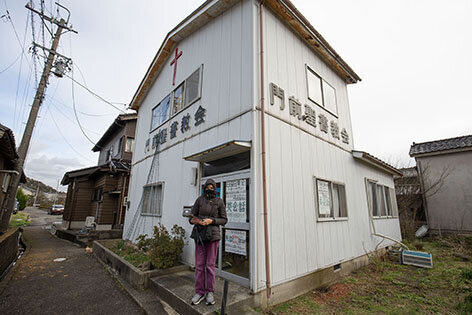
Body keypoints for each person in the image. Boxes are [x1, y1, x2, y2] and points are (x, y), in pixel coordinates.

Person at [189, 179, 227, 305]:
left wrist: (211, 221)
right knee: (199, 265)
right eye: (207, 187)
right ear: (204, 188)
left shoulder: (219, 202)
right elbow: (191, 216)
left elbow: (224, 219)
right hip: (200, 235)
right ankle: (199, 292)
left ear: (215, 188)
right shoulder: (199, 200)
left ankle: (209, 292)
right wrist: (197, 221)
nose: (209, 189)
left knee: (210, 266)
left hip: (213, 236)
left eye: (212, 187)